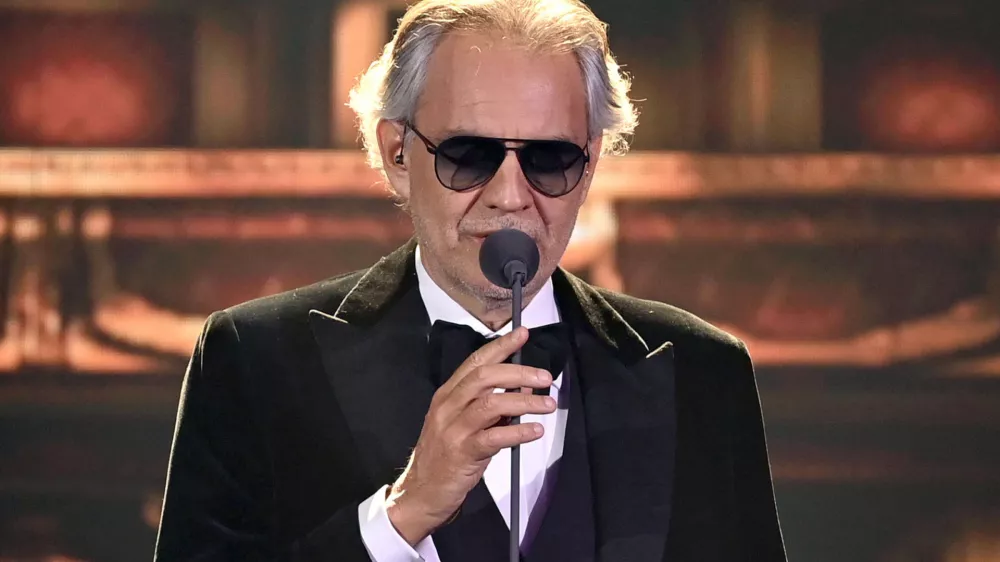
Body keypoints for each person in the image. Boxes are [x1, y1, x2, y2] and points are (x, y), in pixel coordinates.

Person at [153, 0, 787, 560]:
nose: (511, 197)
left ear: (590, 164)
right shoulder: (254, 360)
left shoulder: (706, 371)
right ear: (397, 155)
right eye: (468, 155)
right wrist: (401, 515)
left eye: (550, 159)